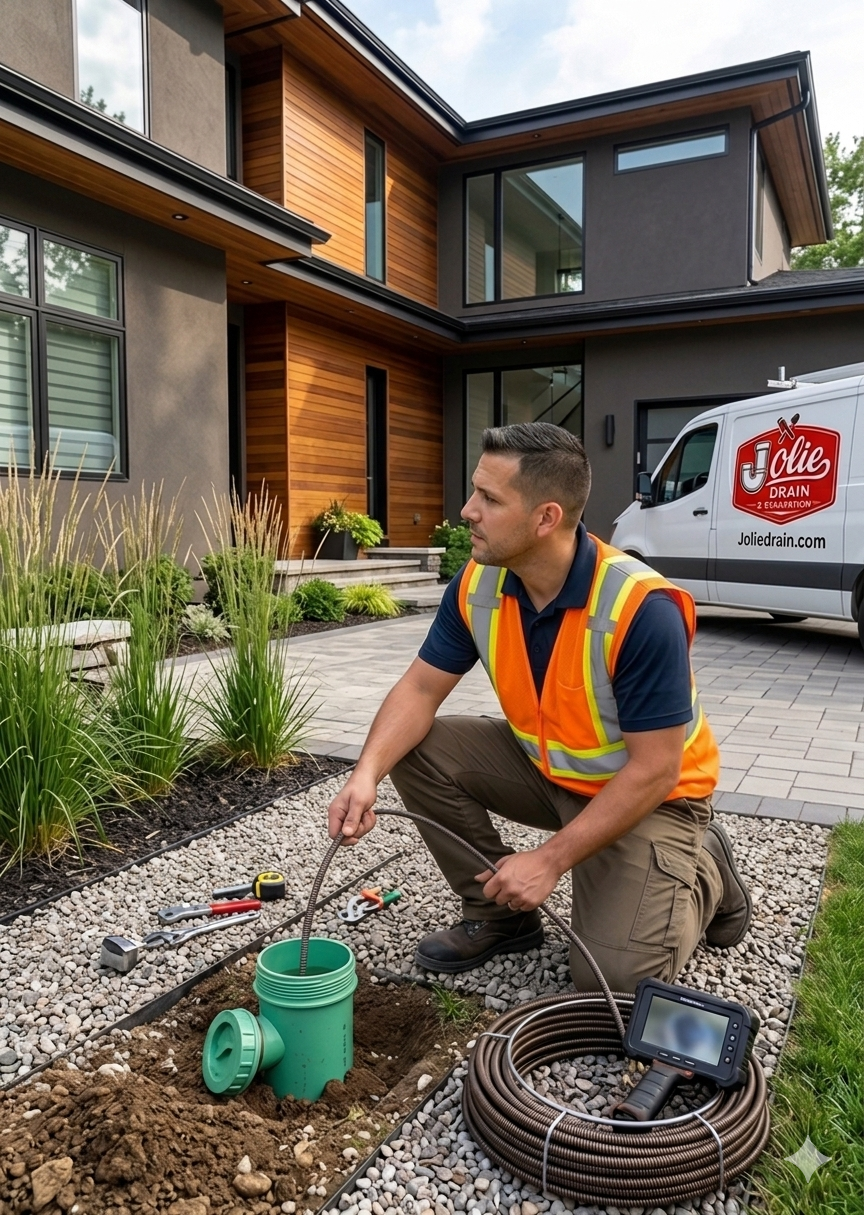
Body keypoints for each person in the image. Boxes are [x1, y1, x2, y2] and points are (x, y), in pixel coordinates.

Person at [327, 422, 751, 992]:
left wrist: (549, 860)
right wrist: (365, 775)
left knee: (617, 981)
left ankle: (705, 868)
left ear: (546, 517)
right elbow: (420, 691)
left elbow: (656, 769)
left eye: (489, 499)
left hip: (652, 798)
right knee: (414, 747)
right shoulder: (478, 583)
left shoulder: (640, 608)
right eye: (476, 491)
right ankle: (502, 914)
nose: (467, 510)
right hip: (550, 771)